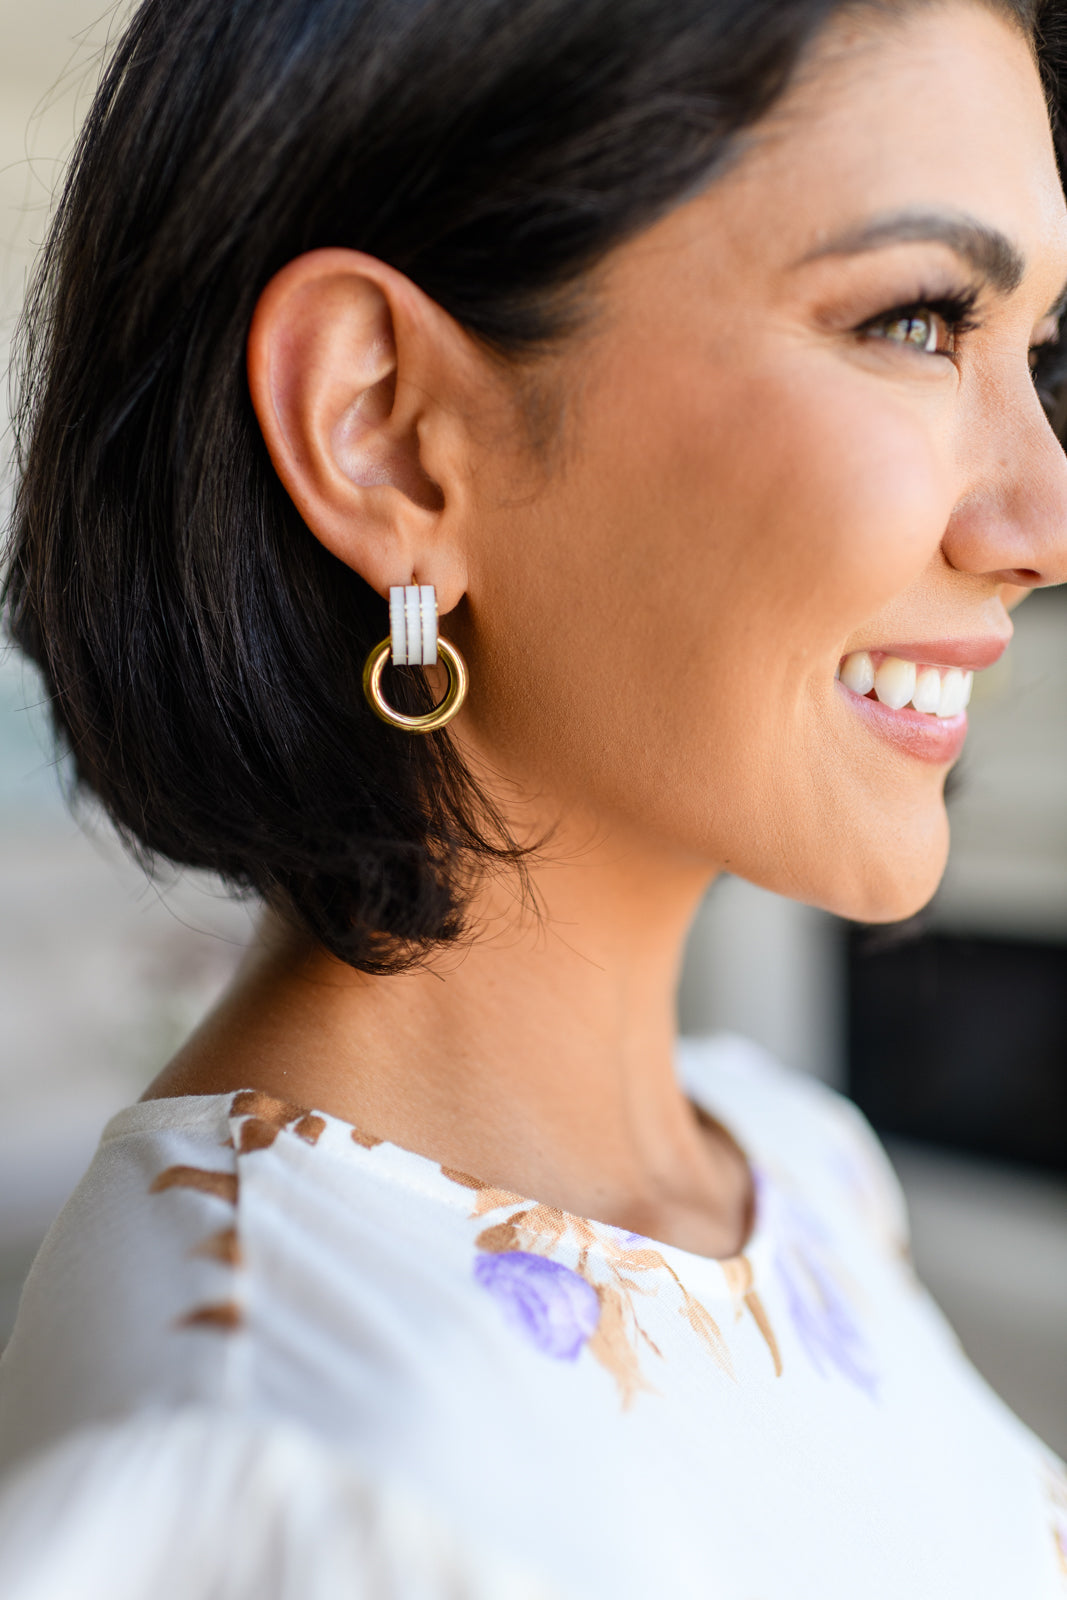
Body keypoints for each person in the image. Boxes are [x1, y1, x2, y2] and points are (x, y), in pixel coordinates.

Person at [1, 0, 1067, 1593]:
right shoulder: (261, 1467)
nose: (1044, 520)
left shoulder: (797, 1171)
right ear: (389, 434)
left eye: (1039, 354)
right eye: (915, 322)